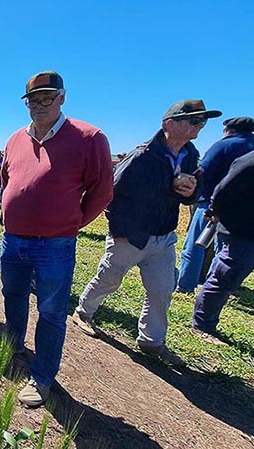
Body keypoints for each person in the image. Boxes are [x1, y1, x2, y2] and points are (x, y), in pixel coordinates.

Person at [0, 70, 114, 408]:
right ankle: (14, 343)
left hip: (55, 244)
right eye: (32, 100)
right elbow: (8, 179)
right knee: (13, 296)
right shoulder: (15, 139)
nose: (38, 105)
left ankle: (41, 376)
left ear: (62, 98)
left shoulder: (88, 137)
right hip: (13, 239)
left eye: (46, 98)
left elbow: (102, 191)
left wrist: (71, 223)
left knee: (51, 311)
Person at [72, 99, 222, 367]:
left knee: (162, 289)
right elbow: (111, 193)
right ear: (169, 124)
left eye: (203, 121)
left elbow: (195, 191)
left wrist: (191, 193)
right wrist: (119, 232)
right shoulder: (142, 156)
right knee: (109, 278)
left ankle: (151, 341)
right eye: (194, 121)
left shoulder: (189, 155)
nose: (200, 126)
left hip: (163, 236)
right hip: (130, 235)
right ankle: (83, 313)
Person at [176, 117, 254, 293]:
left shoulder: (224, 145)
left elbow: (202, 172)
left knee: (195, 246)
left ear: (229, 130)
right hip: (245, 211)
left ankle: (185, 285)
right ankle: (214, 286)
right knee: (225, 251)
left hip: (212, 204)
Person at [192, 151, 254, 342]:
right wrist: (215, 210)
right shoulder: (250, 160)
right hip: (242, 230)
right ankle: (202, 324)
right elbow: (224, 188)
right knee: (226, 276)